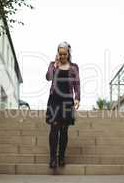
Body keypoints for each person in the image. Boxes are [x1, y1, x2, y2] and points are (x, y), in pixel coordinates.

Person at [45, 41, 80, 169]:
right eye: (60, 54)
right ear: (57, 53)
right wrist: (55, 65)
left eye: (64, 54)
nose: (62, 56)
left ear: (68, 53)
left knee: (64, 130)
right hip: (54, 100)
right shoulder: (53, 65)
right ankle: (53, 158)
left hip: (67, 101)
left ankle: (61, 157)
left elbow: (77, 84)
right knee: (54, 129)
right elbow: (48, 77)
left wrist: (77, 98)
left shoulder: (74, 67)